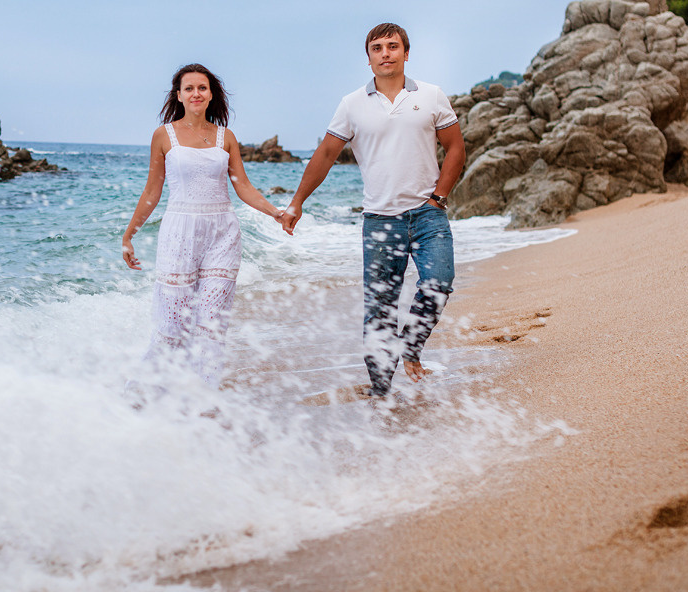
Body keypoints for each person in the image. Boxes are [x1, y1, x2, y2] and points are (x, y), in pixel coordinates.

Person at [279, 23, 466, 397]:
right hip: (380, 221)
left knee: (439, 283)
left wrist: (439, 197)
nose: (385, 53)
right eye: (377, 48)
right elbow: (326, 155)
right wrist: (297, 201)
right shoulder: (352, 104)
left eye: (393, 46)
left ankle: (411, 349)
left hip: (428, 215)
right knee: (380, 309)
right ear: (368, 59)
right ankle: (381, 390)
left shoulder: (430, 96)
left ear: (406, 53)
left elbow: (456, 148)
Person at [122, 63, 284, 385]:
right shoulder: (163, 136)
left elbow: (243, 187)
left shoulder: (226, 137)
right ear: (179, 95)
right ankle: (145, 393)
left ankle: (201, 400)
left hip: (222, 233)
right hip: (179, 232)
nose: (196, 93)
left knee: (211, 324)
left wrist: (276, 212)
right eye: (189, 88)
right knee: (172, 325)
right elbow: (153, 190)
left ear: (211, 95)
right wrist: (129, 235)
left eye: (202, 88)